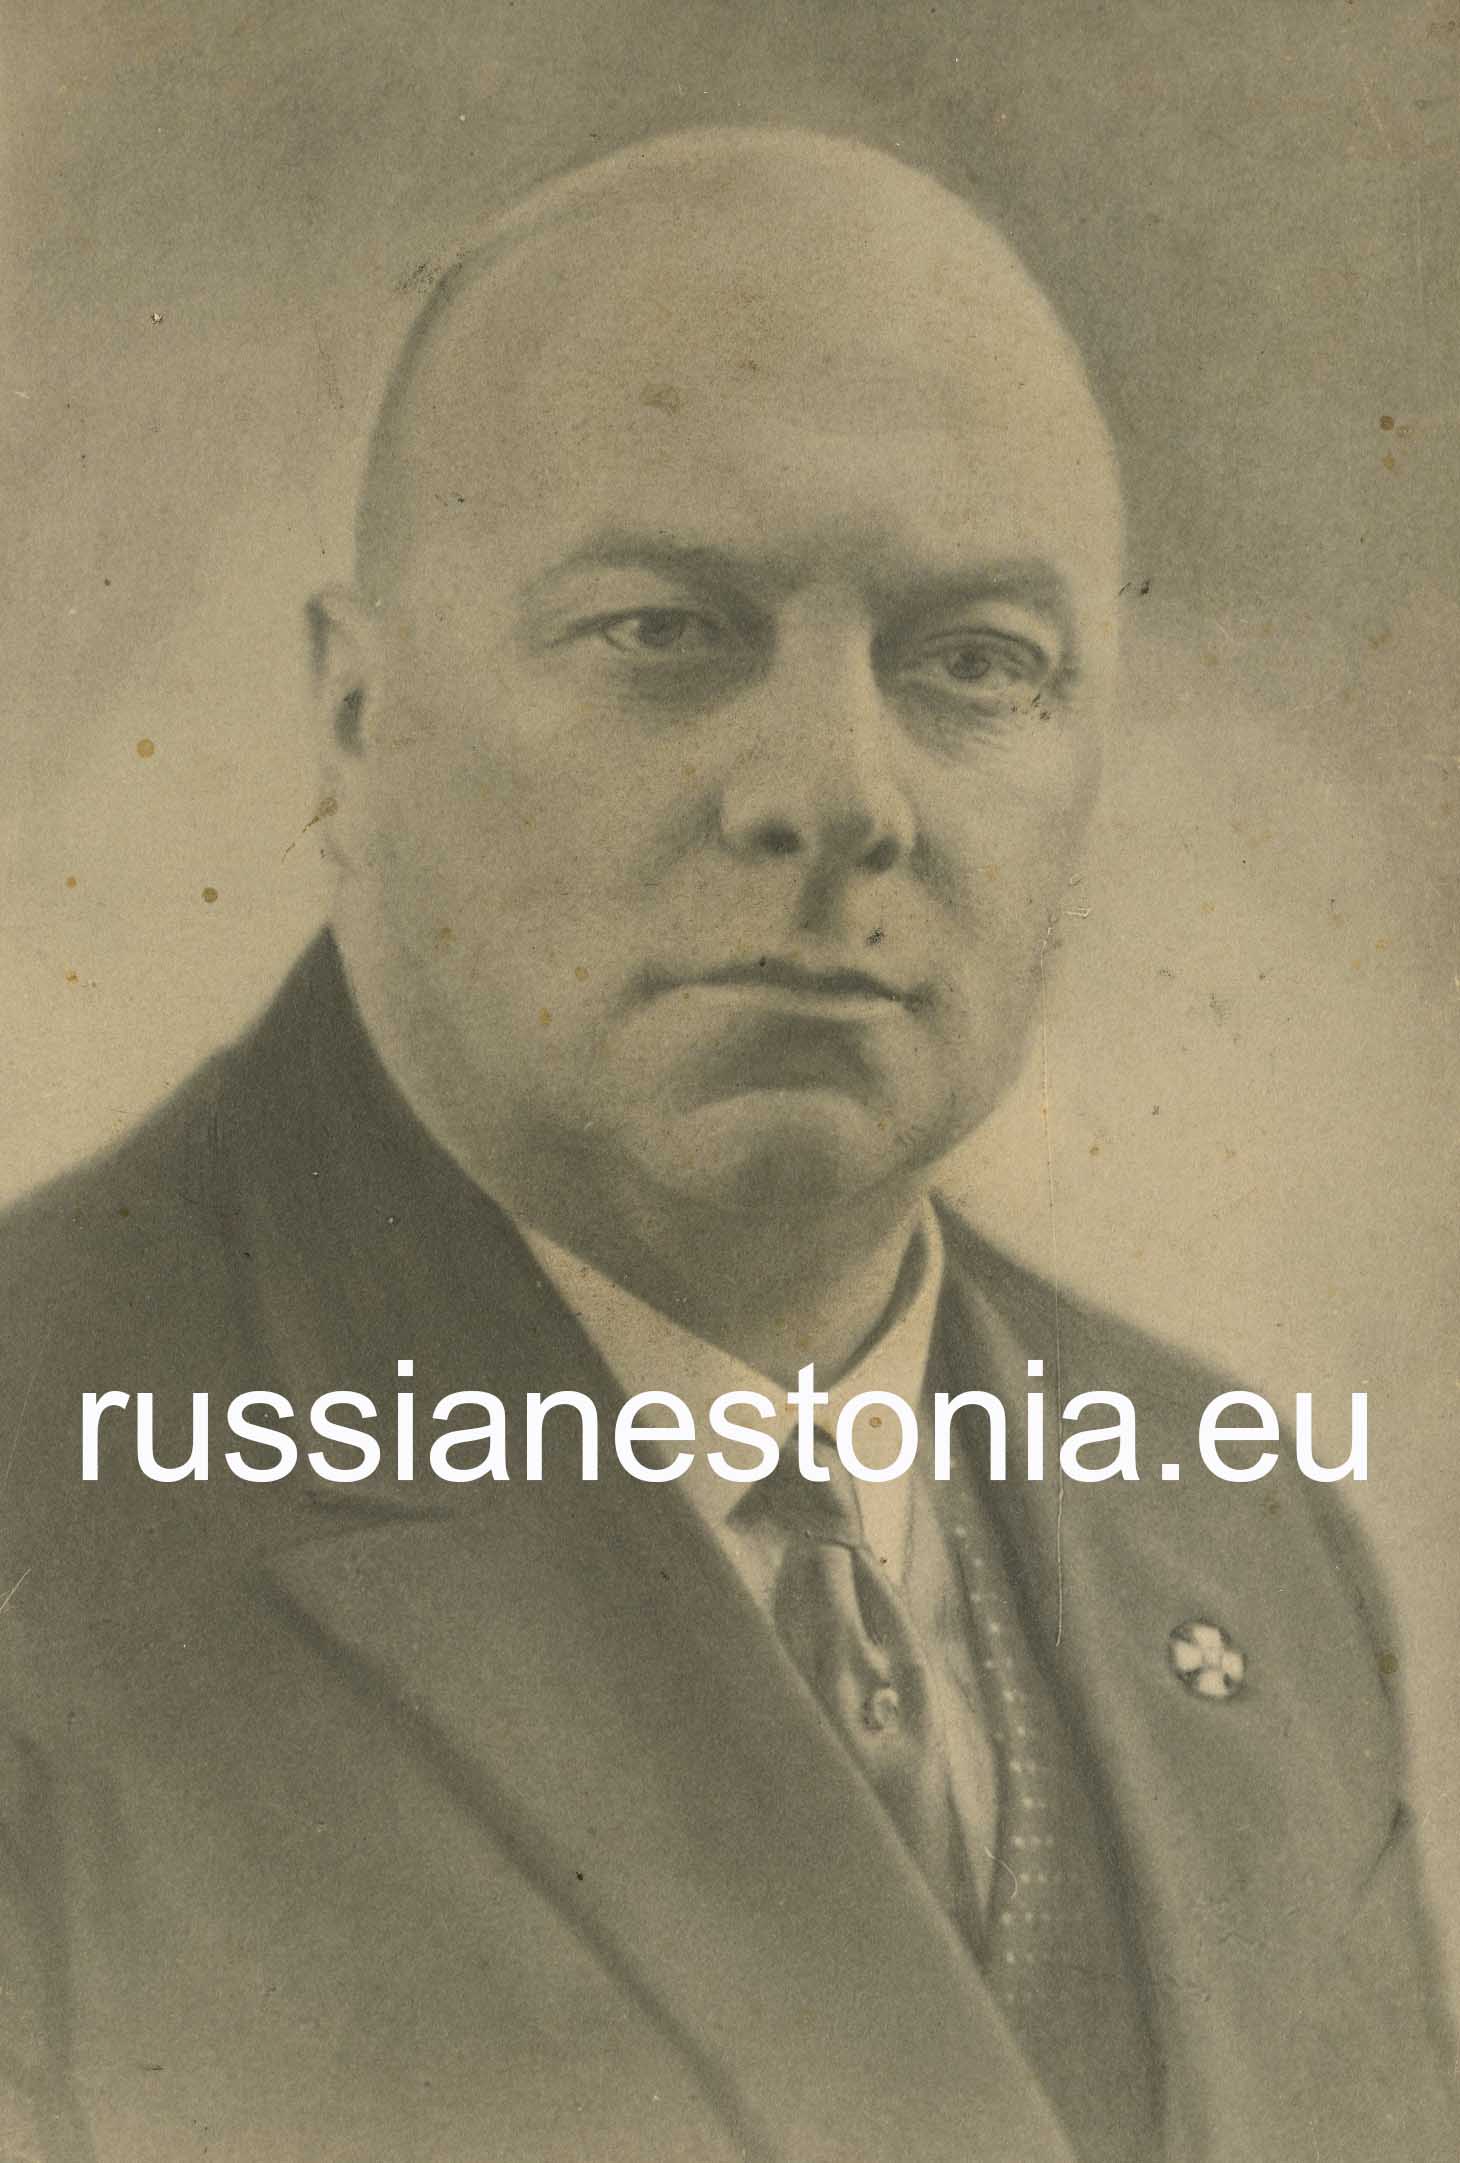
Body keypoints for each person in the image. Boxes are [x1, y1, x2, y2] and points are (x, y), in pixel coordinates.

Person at [0, 128, 1453, 2163]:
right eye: (666, 632)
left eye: (973, 662)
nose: (837, 796)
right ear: (354, 719)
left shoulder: (1247, 1544)